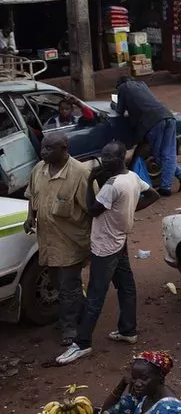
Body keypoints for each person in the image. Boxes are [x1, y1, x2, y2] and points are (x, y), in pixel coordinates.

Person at [56, 142, 160, 365]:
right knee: (126, 286)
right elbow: (152, 195)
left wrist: (91, 179)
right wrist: (128, 210)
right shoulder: (131, 177)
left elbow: (91, 209)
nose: (104, 160)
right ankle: (128, 330)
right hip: (119, 239)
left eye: (110, 157)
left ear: (122, 157)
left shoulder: (111, 185)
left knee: (95, 294)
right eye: (103, 156)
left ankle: (82, 343)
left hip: (104, 246)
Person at [23, 133, 92, 346]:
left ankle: (69, 327)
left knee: (69, 286)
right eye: (43, 148)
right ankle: (79, 312)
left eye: (49, 149)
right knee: (57, 283)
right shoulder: (38, 170)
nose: (43, 152)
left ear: (64, 149)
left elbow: (92, 209)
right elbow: (32, 196)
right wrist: (30, 216)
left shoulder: (80, 174)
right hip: (47, 241)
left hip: (70, 242)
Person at [115, 77, 181, 197]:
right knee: (168, 153)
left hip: (153, 122)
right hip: (168, 115)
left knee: (160, 155)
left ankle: (166, 187)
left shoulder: (123, 88)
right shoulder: (141, 84)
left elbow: (119, 110)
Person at [100, 351, 181, 414]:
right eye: (134, 377)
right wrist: (122, 384)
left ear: (160, 377)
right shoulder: (143, 395)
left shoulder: (171, 410)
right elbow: (107, 412)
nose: (137, 383)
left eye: (144, 378)